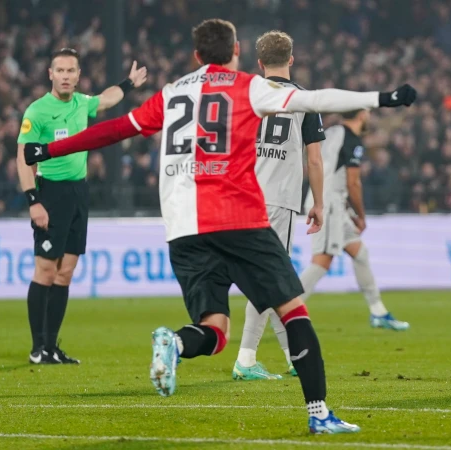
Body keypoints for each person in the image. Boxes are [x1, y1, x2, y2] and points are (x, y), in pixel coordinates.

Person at [22, 18, 416, 433]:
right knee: (293, 311)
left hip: (183, 229)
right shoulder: (248, 85)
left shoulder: (171, 93)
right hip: (238, 217)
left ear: (196, 55)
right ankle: (320, 413)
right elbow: (315, 98)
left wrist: (47, 149)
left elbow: (114, 130)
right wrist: (383, 97)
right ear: (236, 52)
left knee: (214, 330)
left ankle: (174, 342)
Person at [16, 47, 147, 365]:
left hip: (79, 192)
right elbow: (23, 159)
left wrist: (128, 83)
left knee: (66, 272)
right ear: (50, 74)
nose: (65, 76)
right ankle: (38, 348)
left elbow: (106, 98)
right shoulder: (37, 111)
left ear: (77, 75)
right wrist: (34, 201)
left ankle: (51, 346)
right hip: (51, 194)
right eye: (59, 70)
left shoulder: (81, 104)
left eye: (70, 71)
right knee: (45, 270)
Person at [233, 30, 326, 381]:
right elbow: (314, 161)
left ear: (259, 63)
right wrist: (318, 203)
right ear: (291, 58)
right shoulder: (304, 100)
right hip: (276, 198)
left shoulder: (244, 94)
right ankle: (245, 358)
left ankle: (292, 357)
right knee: (270, 278)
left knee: (273, 279)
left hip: (241, 196)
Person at [297, 110, 410, 331]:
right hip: (328, 205)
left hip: (332, 202)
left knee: (360, 253)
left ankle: (378, 312)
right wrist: (360, 215)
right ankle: (287, 309)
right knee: (322, 261)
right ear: (361, 114)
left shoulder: (331, 132)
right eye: (367, 111)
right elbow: (353, 183)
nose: (369, 115)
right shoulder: (351, 139)